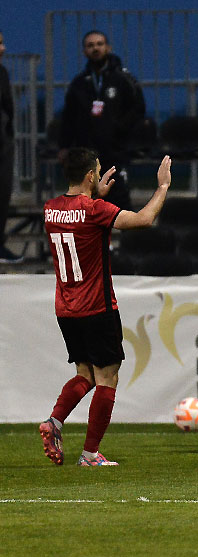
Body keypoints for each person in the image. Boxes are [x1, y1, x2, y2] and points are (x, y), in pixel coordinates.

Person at [39, 148, 171, 466]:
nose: (99, 174)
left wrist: (93, 194)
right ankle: (89, 454)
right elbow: (144, 219)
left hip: (66, 308)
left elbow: (76, 216)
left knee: (85, 373)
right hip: (96, 307)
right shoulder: (94, 209)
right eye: (97, 171)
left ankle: (54, 422)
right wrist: (163, 186)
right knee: (107, 377)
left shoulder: (50, 209)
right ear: (90, 176)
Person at [58, 31, 145, 210]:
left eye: (99, 44)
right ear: (84, 51)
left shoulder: (123, 79)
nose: (95, 49)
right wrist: (64, 146)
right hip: (87, 153)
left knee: (119, 203)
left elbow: (137, 109)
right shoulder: (79, 83)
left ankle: (124, 231)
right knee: (87, 204)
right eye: (90, 46)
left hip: (116, 152)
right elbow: (69, 116)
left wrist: (120, 130)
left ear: (108, 48)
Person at [0, 31, 22, 263]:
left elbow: (8, 108)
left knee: (2, 195)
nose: (3, 49)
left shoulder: (2, 72)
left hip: (2, 144)